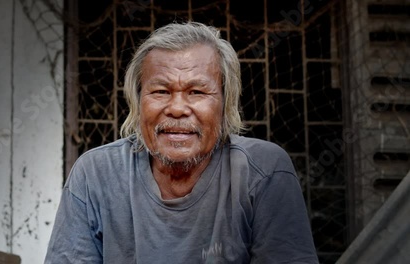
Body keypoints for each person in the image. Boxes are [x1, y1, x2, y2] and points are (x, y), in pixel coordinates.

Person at [45, 22, 319, 263]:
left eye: (197, 92)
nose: (177, 108)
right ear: (138, 102)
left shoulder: (263, 172)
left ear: (226, 103)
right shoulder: (95, 174)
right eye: (161, 91)